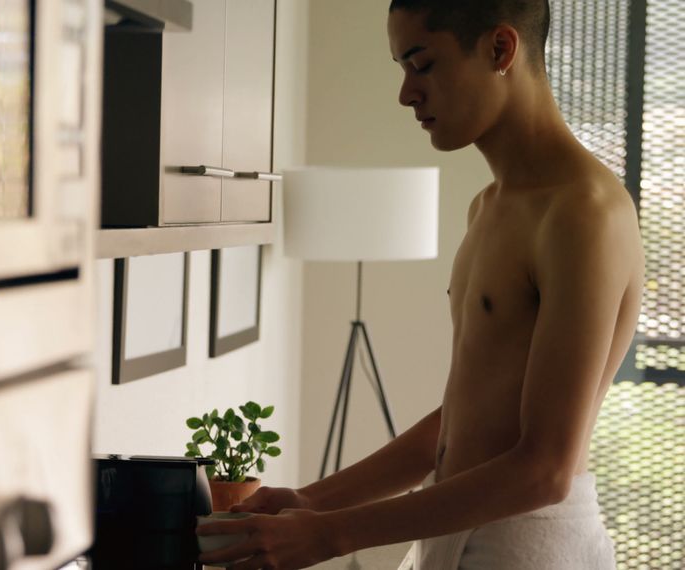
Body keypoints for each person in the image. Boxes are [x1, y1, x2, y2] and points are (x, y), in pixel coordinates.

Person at [196, 1, 644, 568]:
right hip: (452, 527)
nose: (406, 94)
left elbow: (545, 470)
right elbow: (458, 422)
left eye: (422, 64)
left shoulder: (584, 211)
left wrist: (332, 534)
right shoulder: (489, 207)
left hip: (528, 541)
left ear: (500, 49)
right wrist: (312, 502)